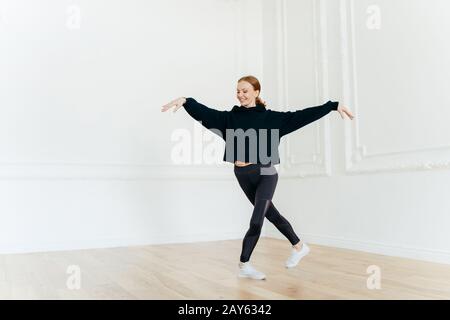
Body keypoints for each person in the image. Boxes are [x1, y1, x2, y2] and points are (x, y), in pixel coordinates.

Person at [161, 75, 354, 280]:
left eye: (245, 91)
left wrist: (332, 106)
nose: (240, 95)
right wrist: (186, 101)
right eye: (238, 91)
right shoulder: (229, 119)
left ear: (256, 92)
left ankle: (244, 264)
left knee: (257, 219)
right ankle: (299, 246)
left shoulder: (271, 118)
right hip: (242, 174)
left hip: (266, 173)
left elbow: (301, 116)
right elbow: (206, 113)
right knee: (271, 214)